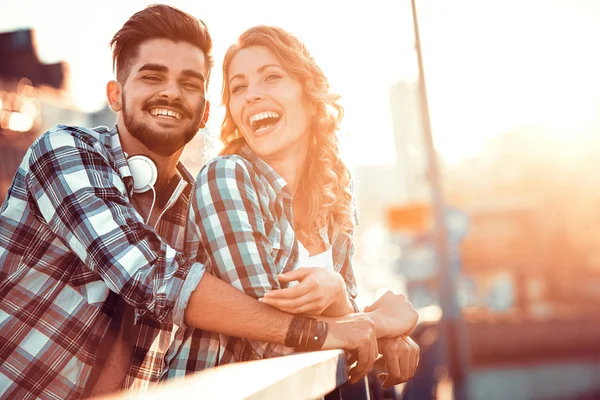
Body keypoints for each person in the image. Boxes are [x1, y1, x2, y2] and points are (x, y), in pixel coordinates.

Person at [0, 6, 384, 399]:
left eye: (189, 83)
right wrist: (346, 328)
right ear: (115, 94)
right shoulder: (64, 151)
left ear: (204, 113)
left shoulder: (196, 205)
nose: (170, 92)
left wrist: (367, 325)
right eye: (152, 76)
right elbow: (153, 276)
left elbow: (256, 308)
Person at [167, 25, 419, 389]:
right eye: (238, 87)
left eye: (270, 77)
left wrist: (360, 318)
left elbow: (343, 324)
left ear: (308, 91)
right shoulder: (227, 177)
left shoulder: (336, 191)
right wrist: (379, 324)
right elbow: (270, 338)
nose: (252, 95)